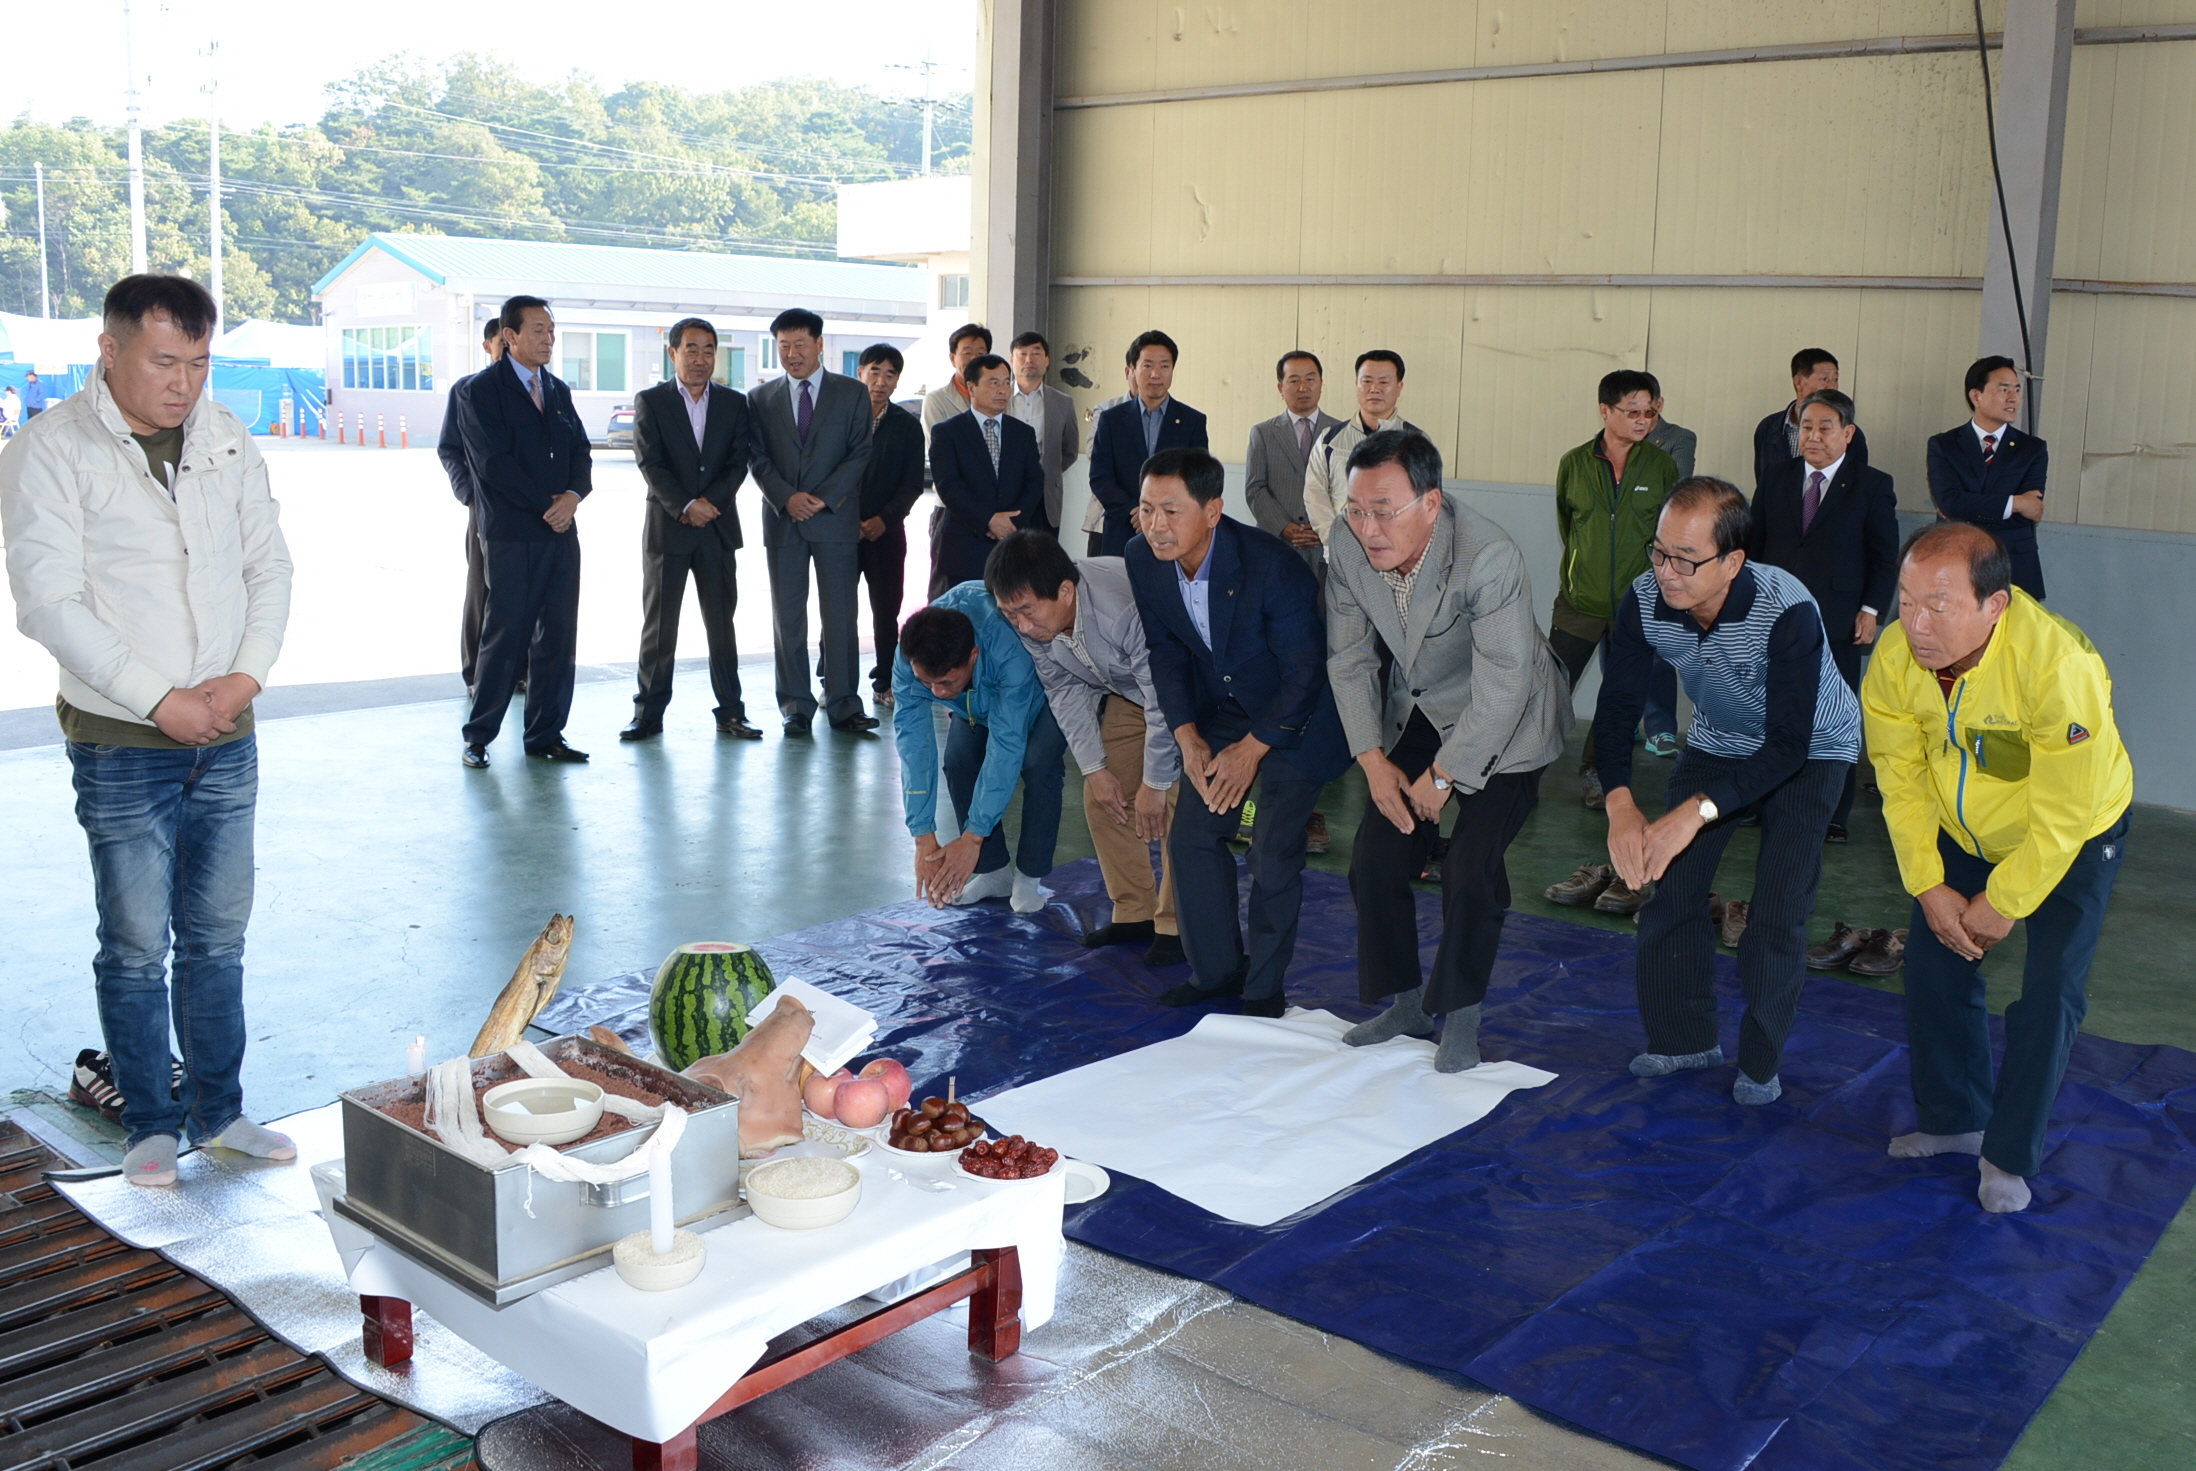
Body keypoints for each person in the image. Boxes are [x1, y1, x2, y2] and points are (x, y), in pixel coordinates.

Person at [0, 273, 297, 1187]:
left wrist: (244, 677)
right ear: (110, 348)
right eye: (165, 360)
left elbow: (269, 566)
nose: (184, 383)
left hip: (227, 732)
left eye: (199, 363)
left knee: (218, 938)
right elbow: (50, 602)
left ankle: (221, 1112)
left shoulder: (226, 437)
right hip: (124, 742)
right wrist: (161, 700)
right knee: (135, 943)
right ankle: (151, 1125)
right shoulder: (51, 448)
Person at [1863, 523, 2131, 1214]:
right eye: (1905, 601)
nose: (1916, 625)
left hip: (2074, 834)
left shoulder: (2056, 665)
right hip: (1964, 829)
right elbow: (1900, 777)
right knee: (1934, 968)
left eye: (1939, 606)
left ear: (1995, 605)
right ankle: (1954, 1121)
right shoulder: (1894, 657)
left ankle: (2008, 1156)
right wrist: (1928, 882)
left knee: (2051, 992)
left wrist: (2005, 899)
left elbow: (2065, 813)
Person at [1595, 478, 1861, 1106]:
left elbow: (1788, 745)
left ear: (1733, 561)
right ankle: (1684, 1039)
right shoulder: (1645, 599)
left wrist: (1696, 812)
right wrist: (1620, 805)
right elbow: (1617, 707)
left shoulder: (1785, 607)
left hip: (1812, 749)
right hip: (1719, 738)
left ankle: (1761, 1064)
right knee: (1669, 889)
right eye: (1660, 552)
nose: (1667, 572)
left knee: (1777, 910)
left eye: (1686, 560)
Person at [1328, 432, 1570, 1071]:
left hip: (1511, 720)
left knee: (1470, 864)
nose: (1368, 528)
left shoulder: (1487, 555)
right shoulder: (1347, 542)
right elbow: (1348, 657)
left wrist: (1444, 775)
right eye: (1357, 509)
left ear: (1431, 503)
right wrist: (1372, 761)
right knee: (1375, 856)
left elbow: (1506, 683)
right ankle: (1407, 1005)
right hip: (1427, 707)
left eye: (1384, 511)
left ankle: (1461, 1015)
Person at [1125, 447, 1348, 1016]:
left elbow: (1305, 669)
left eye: (1171, 511)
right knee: (1192, 839)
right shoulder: (1141, 557)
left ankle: (1264, 989)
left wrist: (1252, 749)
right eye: (1147, 509)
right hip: (1224, 709)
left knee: (1271, 852)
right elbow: (1164, 652)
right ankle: (1218, 971)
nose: (1156, 525)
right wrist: (1186, 734)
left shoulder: (1270, 564)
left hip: (1298, 714)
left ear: (1213, 511)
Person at [987, 530, 1185, 968]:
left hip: (1187, 694)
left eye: (1026, 611)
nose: (1021, 625)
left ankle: (1177, 925)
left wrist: (1155, 782)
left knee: (1174, 803)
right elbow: (1062, 688)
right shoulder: (1034, 623)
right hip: (1128, 692)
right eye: (1009, 614)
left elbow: (1164, 701)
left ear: (1065, 591)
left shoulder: (1122, 612)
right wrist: (1094, 767)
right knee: (1104, 798)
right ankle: (1135, 913)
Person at [1746, 388, 1898, 841]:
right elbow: (1753, 547)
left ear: (1847, 433)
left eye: (1824, 428)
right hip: (1775, 616)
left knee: (1835, 715)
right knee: (1770, 709)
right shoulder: (1776, 477)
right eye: (1806, 427)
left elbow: (1884, 557)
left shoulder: (1872, 485)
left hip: (1839, 619)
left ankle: (1833, 811)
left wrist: (1871, 610)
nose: (1813, 436)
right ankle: (1760, 798)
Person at [456, 295, 593, 768]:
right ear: (509, 336)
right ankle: (478, 737)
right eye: (538, 330)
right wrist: (546, 505)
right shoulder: (480, 391)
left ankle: (546, 735)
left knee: (558, 636)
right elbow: (493, 464)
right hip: (512, 533)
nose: (548, 338)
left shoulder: (557, 390)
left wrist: (573, 496)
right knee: (505, 636)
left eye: (551, 330)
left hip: (561, 532)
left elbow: (581, 451)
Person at [1549, 370, 1682, 813]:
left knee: (1620, 698)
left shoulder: (1661, 467)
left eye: (1649, 412)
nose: (1643, 420)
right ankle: (1521, 770)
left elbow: (1665, 534)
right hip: (1578, 604)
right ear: (1605, 411)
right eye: (1632, 411)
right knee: (1548, 690)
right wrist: (1581, 570)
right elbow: (1569, 526)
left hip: (1637, 604)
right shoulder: (1574, 464)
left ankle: (1597, 771)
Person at [891, 586, 1067, 914]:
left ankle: (1029, 877)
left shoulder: (1006, 650)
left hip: (1042, 689)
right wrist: (922, 834)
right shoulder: (909, 657)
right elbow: (913, 744)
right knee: (958, 761)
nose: (937, 693)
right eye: (927, 682)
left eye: (945, 682)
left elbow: (1006, 746)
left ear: (973, 656)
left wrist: (973, 838)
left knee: (1038, 763)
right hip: (977, 695)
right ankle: (994, 873)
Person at [624, 316, 758, 741]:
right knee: (660, 628)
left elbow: (738, 462)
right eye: (691, 350)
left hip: (716, 529)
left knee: (722, 626)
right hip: (668, 530)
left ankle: (731, 712)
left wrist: (708, 505)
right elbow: (650, 462)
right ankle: (648, 714)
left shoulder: (734, 404)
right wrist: (685, 505)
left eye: (708, 350)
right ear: (673, 353)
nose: (700, 359)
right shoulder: (652, 401)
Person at [750, 307, 877, 735]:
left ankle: (843, 703)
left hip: (834, 519)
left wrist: (821, 498)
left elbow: (859, 452)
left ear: (820, 344)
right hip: (783, 519)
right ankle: (795, 706)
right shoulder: (760, 399)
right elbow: (756, 456)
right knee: (787, 617)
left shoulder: (852, 393)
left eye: (800, 344)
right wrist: (786, 497)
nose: (792, 353)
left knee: (840, 615)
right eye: (783, 346)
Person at [1926, 356, 2048, 601]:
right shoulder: (1944, 445)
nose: (2013, 398)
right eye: (2004, 390)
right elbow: (1950, 503)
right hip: (1957, 559)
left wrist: (1971, 507)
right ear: (1976, 396)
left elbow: (2031, 511)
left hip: (2013, 564)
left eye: (2017, 390)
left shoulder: (2032, 449)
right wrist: (2015, 502)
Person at [930, 354, 1044, 594]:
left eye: (1006, 382)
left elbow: (1034, 483)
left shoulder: (1023, 433)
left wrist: (1010, 523)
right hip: (964, 546)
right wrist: (989, 520)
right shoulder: (948, 432)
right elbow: (948, 486)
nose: (1003, 390)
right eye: (994, 383)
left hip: (1012, 543)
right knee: (965, 612)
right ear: (971, 387)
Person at [1087, 330, 1207, 556]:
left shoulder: (1192, 422)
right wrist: (1140, 512)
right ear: (1133, 369)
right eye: (1148, 365)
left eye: (1164, 366)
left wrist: (1161, 514)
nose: (1156, 374)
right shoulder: (1111, 420)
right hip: (1123, 530)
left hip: (1174, 534)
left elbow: (1198, 479)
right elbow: (1100, 477)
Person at [854, 344, 925, 706]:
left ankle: (885, 681)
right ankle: (833, 681)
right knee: (838, 610)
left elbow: (912, 484)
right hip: (842, 534)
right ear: (860, 373)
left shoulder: (907, 426)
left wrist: (884, 520)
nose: (881, 381)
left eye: (890, 374)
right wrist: (848, 520)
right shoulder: (841, 420)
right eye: (874, 372)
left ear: (897, 381)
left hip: (888, 534)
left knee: (886, 612)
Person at [438, 317, 505, 696]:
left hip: (533, 511)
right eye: (501, 343)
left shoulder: (540, 390)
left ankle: (521, 671)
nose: (507, 350)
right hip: (484, 510)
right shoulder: (467, 390)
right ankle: (476, 674)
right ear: (488, 346)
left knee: (526, 596)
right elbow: (449, 448)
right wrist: (470, 495)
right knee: (482, 590)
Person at [1302, 350, 1416, 550]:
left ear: (1399, 387)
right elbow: (1315, 493)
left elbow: (1423, 501)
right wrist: (1335, 539)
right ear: (1357, 384)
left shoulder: (1417, 442)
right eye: (1367, 381)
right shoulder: (1329, 440)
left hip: (1396, 553)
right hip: (1340, 553)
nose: (1374, 388)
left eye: (1384, 382)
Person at [1243, 350, 1341, 575]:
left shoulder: (1341, 433)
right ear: (1281, 387)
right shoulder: (1263, 433)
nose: (1303, 387)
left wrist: (1325, 528)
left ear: (1321, 384)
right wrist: (1285, 527)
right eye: (1294, 380)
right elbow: (1255, 489)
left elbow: (1348, 490)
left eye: (1310, 379)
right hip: (1278, 547)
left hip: (1327, 549)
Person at [1754, 348, 1869, 493]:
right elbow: (1762, 481)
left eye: (1835, 379)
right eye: (1824, 379)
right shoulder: (1769, 427)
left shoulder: (1849, 433)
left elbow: (1857, 484)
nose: (1832, 386)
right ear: (1799, 382)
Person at [1008, 331, 1078, 536]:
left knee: (1044, 553)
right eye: (1022, 354)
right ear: (1012, 360)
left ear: (1047, 360)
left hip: (1045, 498)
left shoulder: (1063, 403)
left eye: (1036, 353)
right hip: (1006, 496)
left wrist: (1046, 472)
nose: (1029, 359)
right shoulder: (999, 399)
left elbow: (1069, 451)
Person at [1644, 379, 1695, 479]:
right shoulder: (1617, 436)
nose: (1639, 418)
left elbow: (1678, 483)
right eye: (1632, 412)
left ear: (1659, 405)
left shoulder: (1680, 437)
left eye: (1647, 411)